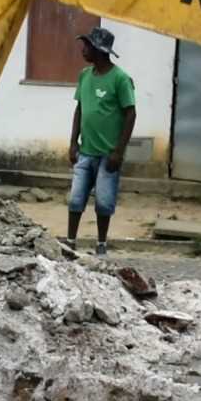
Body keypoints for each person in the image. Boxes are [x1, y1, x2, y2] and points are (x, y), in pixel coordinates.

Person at [65, 27, 136, 257]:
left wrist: (119, 151)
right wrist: (73, 142)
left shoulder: (120, 79)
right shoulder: (84, 75)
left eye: (87, 46)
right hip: (85, 151)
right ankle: (70, 242)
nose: (83, 50)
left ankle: (101, 245)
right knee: (76, 199)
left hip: (108, 154)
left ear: (99, 50)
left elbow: (130, 113)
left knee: (104, 203)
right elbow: (79, 109)